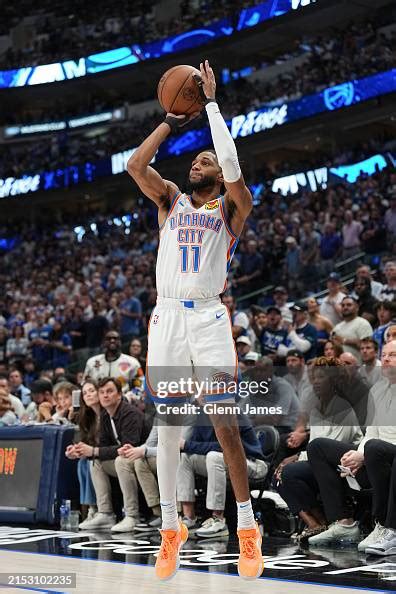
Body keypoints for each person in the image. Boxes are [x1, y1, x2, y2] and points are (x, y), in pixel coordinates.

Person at [127, 59, 263, 580]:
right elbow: (136, 167)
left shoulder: (231, 208)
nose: (199, 162)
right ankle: (168, 530)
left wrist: (209, 106)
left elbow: (231, 165)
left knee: (223, 420)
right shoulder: (171, 201)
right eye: (196, 159)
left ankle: (247, 527)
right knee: (169, 426)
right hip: (165, 317)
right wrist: (169, 120)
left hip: (207, 317)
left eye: (205, 159)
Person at [307, 341, 396, 549]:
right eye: (384, 355)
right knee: (317, 447)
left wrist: (365, 454)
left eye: (392, 355)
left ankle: (387, 527)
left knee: (374, 447)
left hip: (387, 454)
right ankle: (343, 522)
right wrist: (357, 454)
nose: (385, 359)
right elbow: (371, 431)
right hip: (375, 455)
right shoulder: (378, 389)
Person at [275, 357, 362, 543]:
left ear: (334, 380)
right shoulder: (316, 410)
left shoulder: (343, 407)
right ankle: (316, 524)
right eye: (314, 377)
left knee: (290, 471)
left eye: (321, 377)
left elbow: (327, 450)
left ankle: (334, 522)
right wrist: (296, 458)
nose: (315, 381)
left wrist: (297, 457)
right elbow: (315, 447)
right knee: (279, 475)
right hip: (321, 463)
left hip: (347, 464)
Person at [177, 410, 267, 539]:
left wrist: (187, 444)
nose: (201, 395)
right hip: (224, 461)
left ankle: (218, 520)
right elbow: (193, 447)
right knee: (185, 457)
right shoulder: (202, 415)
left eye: (206, 391)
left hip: (252, 463)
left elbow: (226, 447)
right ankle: (189, 518)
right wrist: (188, 446)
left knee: (214, 456)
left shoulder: (230, 413)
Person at [77, 377, 150, 533]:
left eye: (109, 391)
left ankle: (132, 515)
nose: (105, 396)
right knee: (95, 461)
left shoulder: (130, 413)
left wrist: (95, 450)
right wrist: (85, 451)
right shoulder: (105, 415)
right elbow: (104, 447)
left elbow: (129, 447)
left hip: (143, 457)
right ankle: (105, 513)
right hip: (125, 459)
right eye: (101, 392)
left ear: (119, 395)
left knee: (120, 460)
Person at [65, 380, 101, 527]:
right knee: (82, 462)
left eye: (92, 391)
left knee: (89, 462)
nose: (88, 395)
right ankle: (91, 510)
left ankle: (96, 509)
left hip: (105, 454)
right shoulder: (87, 416)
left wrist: (89, 451)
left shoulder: (106, 414)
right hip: (94, 454)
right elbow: (82, 440)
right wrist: (75, 450)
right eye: (85, 393)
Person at [332, 296, 373, 362]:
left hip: (358, 367)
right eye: (343, 305)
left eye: (349, 305)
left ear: (357, 308)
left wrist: (344, 340)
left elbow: (368, 346)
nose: (345, 307)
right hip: (340, 367)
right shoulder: (337, 327)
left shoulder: (363, 323)